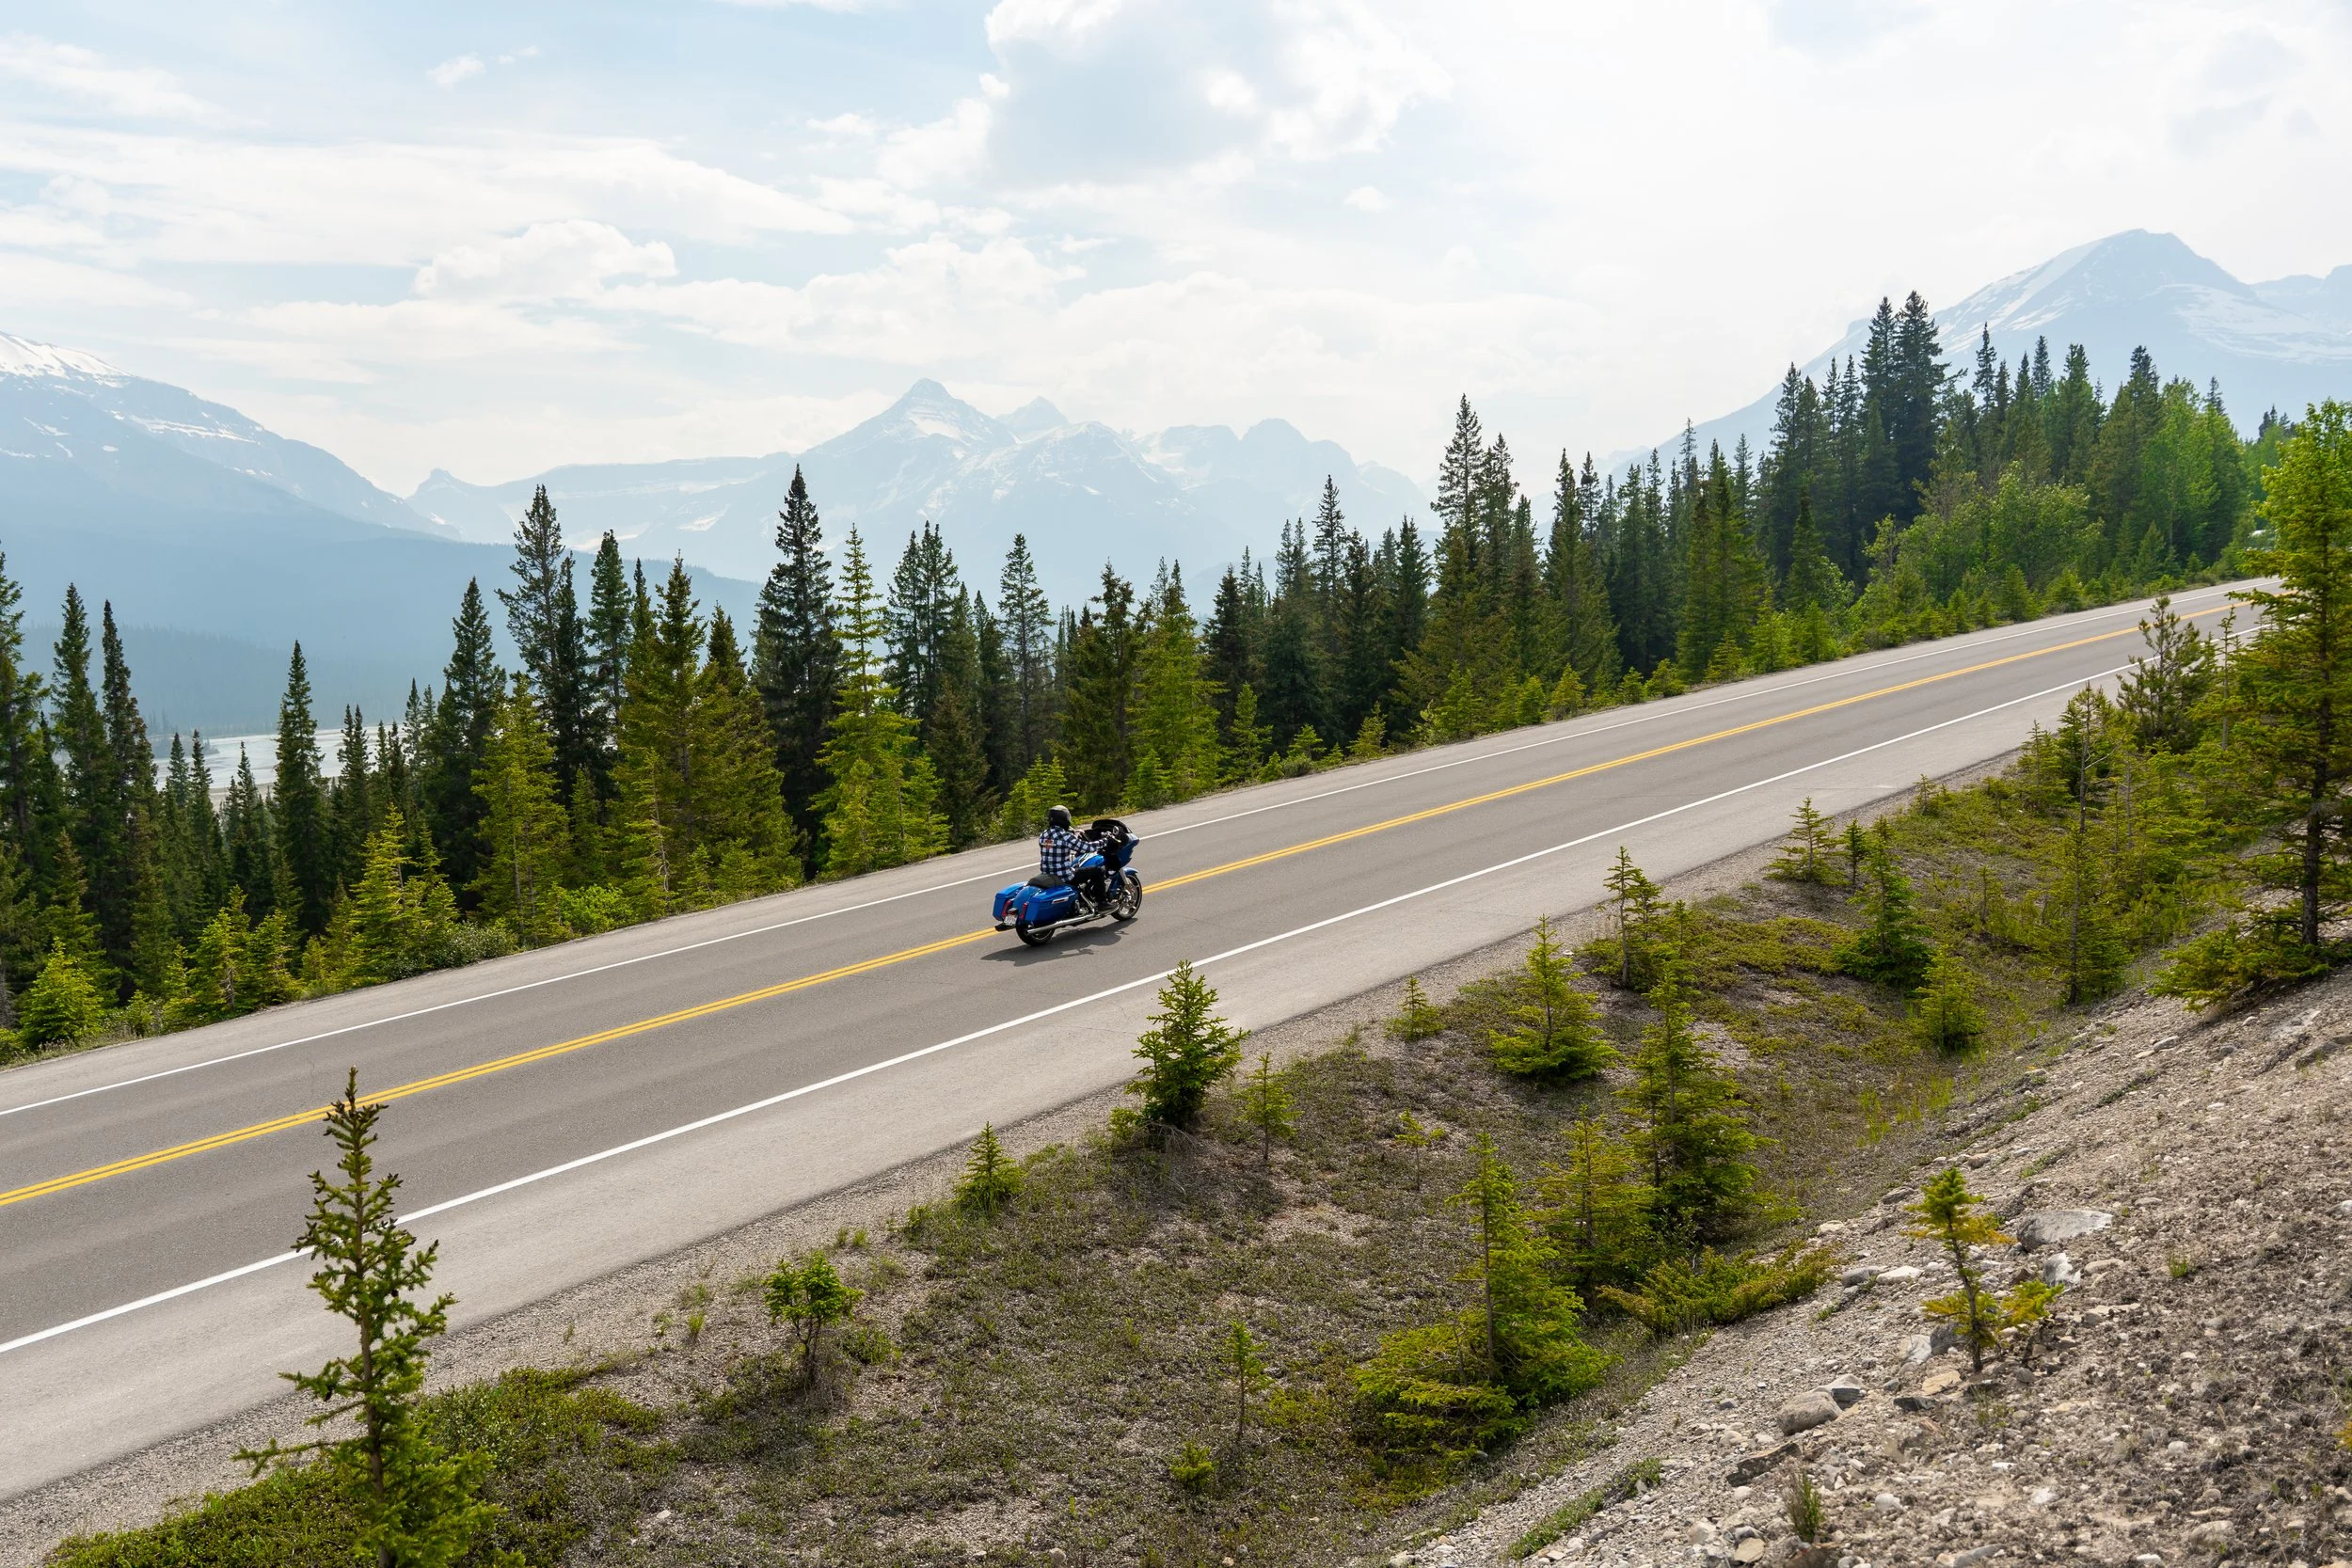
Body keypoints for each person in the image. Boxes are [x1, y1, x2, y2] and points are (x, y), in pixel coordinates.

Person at [1036, 804, 1104, 907]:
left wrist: (1072, 832)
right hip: (1064, 876)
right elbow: (1087, 848)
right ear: (1064, 819)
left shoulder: (1043, 835)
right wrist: (1105, 841)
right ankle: (1102, 903)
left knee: (1077, 869)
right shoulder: (1065, 836)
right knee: (1098, 871)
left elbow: (1056, 841)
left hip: (1047, 875)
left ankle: (1082, 898)